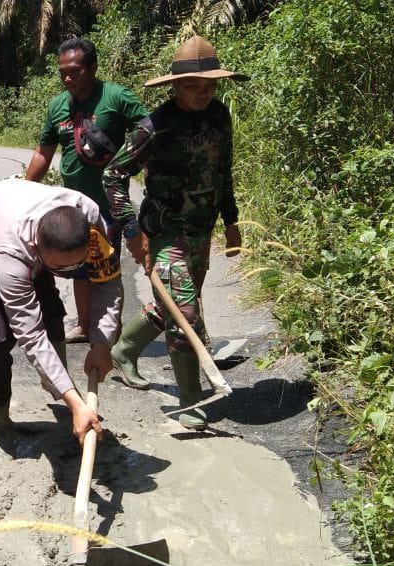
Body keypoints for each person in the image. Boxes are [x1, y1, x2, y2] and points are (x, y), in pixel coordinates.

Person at [103, 36, 247, 430]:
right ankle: (191, 400)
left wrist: (231, 222)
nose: (203, 94)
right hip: (163, 233)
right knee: (185, 312)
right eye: (193, 87)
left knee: (179, 304)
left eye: (210, 86)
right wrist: (132, 231)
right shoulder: (155, 127)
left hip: (202, 230)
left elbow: (224, 170)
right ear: (174, 86)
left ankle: (125, 350)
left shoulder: (219, 116)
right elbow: (114, 175)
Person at [0, 178, 120, 455]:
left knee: (51, 310)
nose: (72, 271)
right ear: (36, 250)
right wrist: (78, 404)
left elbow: (107, 282)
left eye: (78, 262)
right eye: (61, 268)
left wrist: (102, 343)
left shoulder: (88, 217)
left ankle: (61, 391)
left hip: (13, 214)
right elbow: (30, 333)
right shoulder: (12, 254)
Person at [24, 37, 149, 345]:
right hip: (72, 204)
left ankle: (111, 332)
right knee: (80, 266)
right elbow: (44, 152)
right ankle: (83, 325)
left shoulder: (116, 97)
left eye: (75, 71)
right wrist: (23, 190)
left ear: (92, 68)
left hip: (109, 204)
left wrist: (135, 165)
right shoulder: (57, 106)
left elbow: (148, 130)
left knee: (106, 266)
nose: (68, 78)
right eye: (62, 72)